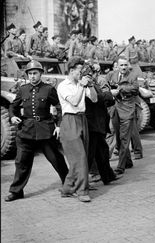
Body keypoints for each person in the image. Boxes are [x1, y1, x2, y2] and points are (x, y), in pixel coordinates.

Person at [4, 60, 69, 202]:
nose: (32, 76)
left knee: (56, 159)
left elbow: (59, 107)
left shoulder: (49, 89)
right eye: (30, 73)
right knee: (21, 162)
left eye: (35, 73)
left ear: (41, 74)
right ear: (27, 75)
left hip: (45, 130)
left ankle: (69, 183)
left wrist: (58, 125)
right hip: (26, 130)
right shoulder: (23, 89)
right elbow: (13, 107)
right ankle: (16, 191)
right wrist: (13, 116)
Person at [57, 57, 98, 202]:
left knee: (81, 158)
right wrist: (82, 86)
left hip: (82, 119)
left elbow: (94, 99)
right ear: (71, 70)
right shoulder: (63, 86)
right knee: (80, 158)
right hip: (69, 120)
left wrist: (90, 85)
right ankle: (82, 191)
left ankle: (68, 188)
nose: (82, 73)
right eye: (80, 70)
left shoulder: (81, 83)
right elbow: (74, 101)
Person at [85, 63, 123, 185]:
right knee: (90, 154)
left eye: (91, 74)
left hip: (97, 123)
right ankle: (81, 179)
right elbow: (95, 99)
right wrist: (110, 94)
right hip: (91, 124)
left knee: (102, 151)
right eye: (88, 74)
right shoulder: (84, 86)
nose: (91, 76)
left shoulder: (93, 84)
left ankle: (107, 175)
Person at [105, 56, 141, 174]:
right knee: (118, 137)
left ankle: (121, 166)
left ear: (128, 65)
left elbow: (135, 89)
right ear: (117, 65)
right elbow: (106, 86)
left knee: (124, 138)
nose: (124, 67)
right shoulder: (112, 75)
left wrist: (119, 89)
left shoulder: (133, 75)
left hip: (127, 109)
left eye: (126, 65)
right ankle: (128, 161)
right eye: (121, 65)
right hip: (114, 109)